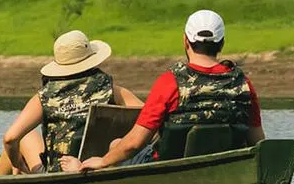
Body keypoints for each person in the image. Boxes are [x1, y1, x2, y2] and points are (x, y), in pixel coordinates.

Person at [61, 9, 264, 173]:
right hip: (224, 167)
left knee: (117, 144)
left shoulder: (170, 82)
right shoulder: (243, 83)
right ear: (222, 43)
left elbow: (134, 144)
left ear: (186, 41)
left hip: (169, 168)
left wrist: (103, 161)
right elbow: (257, 140)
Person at [0, 30, 144, 175]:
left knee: (22, 138)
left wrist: (17, 163)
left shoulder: (45, 97)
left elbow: (10, 138)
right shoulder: (112, 90)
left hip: (58, 173)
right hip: (101, 166)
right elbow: (149, 119)